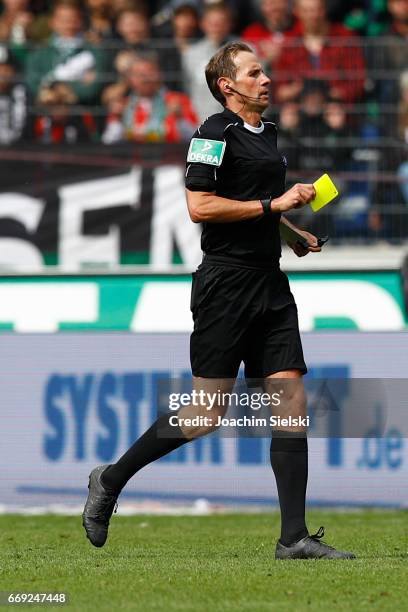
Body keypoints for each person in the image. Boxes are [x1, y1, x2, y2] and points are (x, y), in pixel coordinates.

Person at [82, 40, 356, 560]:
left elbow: (258, 208)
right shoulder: (210, 134)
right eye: (255, 73)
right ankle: (110, 479)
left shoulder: (268, 133)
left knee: (290, 399)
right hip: (225, 284)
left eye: (265, 71)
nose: (267, 79)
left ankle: (293, 538)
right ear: (228, 86)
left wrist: (290, 232)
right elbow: (200, 205)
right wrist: (275, 202)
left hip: (269, 282)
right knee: (206, 412)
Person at [273, 0, 366, 105]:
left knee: (337, 118)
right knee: (288, 117)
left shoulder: (345, 38)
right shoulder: (289, 43)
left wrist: (335, 94)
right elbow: (279, 89)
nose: (313, 15)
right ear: (297, 12)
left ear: (325, 10)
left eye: (317, 10)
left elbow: (357, 81)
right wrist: (294, 91)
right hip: (300, 107)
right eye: (306, 11)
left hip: (337, 106)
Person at [102, 52, 198, 143]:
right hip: (133, 159)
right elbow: (108, 142)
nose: (145, 79)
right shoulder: (123, 105)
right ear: (130, 78)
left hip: (169, 158)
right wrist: (117, 121)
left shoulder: (178, 100)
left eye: (150, 73)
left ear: (159, 74)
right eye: (140, 74)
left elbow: (195, 139)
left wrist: (180, 119)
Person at [25, 0, 107, 105]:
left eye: (73, 19)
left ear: (81, 21)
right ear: (52, 22)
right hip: (47, 111)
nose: (68, 24)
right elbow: (33, 81)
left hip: (82, 113)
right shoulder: (40, 52)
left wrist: (71, 93)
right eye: (63, 20)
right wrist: (52, 92)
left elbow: (95, 86)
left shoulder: (95, 51)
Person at [182, 2, 235, 120]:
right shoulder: (190, 54)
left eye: (221, 22)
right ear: (203, 24)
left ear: (229, 24)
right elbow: (187, 90)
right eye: (212, 23)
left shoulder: (245, 51)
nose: (216, 27)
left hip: (237, 127)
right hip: (201, 125)